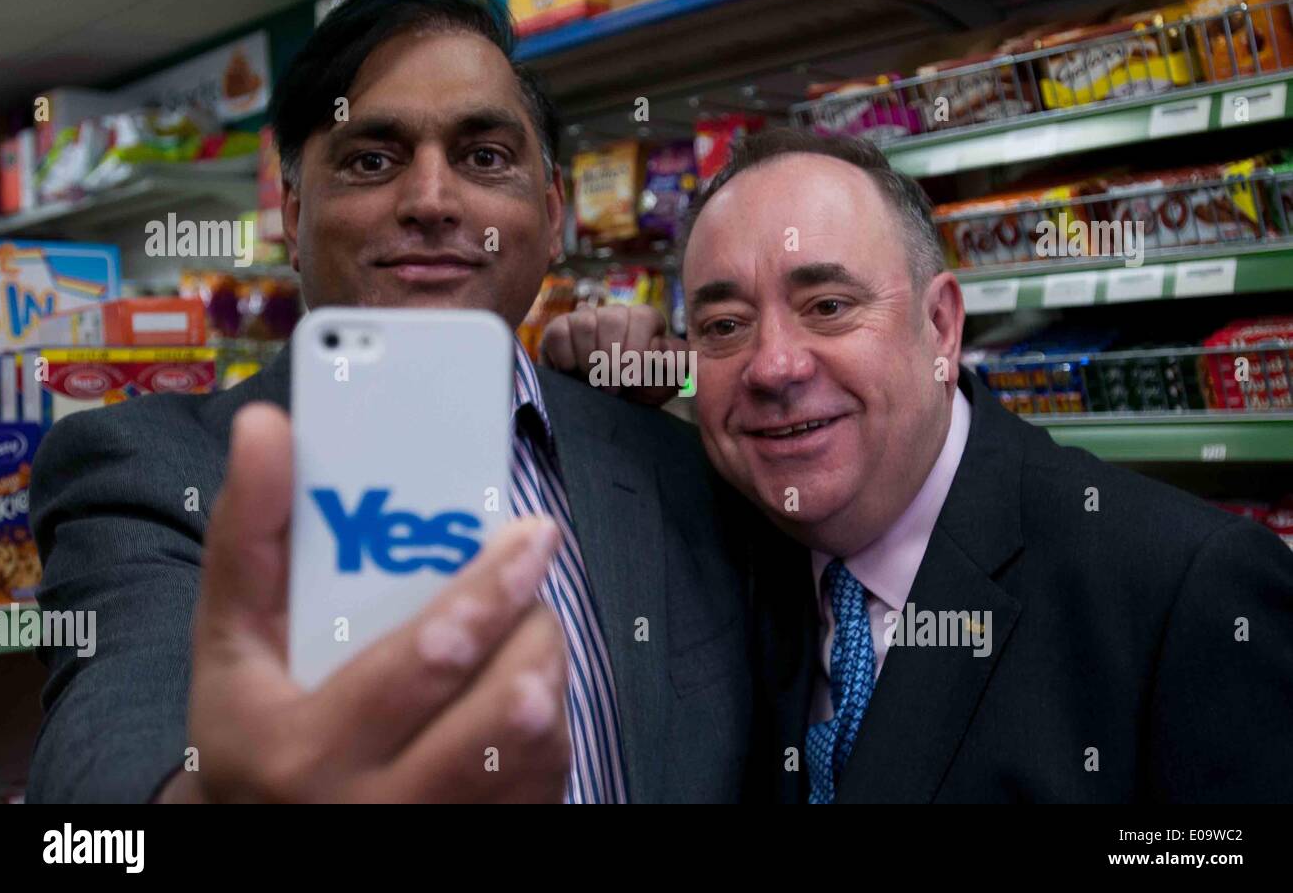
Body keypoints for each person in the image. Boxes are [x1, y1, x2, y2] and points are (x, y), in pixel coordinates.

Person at [28, 0, 764, 804]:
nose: (432, 199)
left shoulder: (673, 462)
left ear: (553, 213)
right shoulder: (147, 472)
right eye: (372, 160)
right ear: (293, 218)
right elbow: (104, 752)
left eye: (485, 157)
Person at [543, 128, 1293, 803]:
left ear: (939, 327)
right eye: (725, 324)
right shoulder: (731, 555)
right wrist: (606, 386)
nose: (773, 365)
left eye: (829, 306)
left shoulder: (1181, 585)